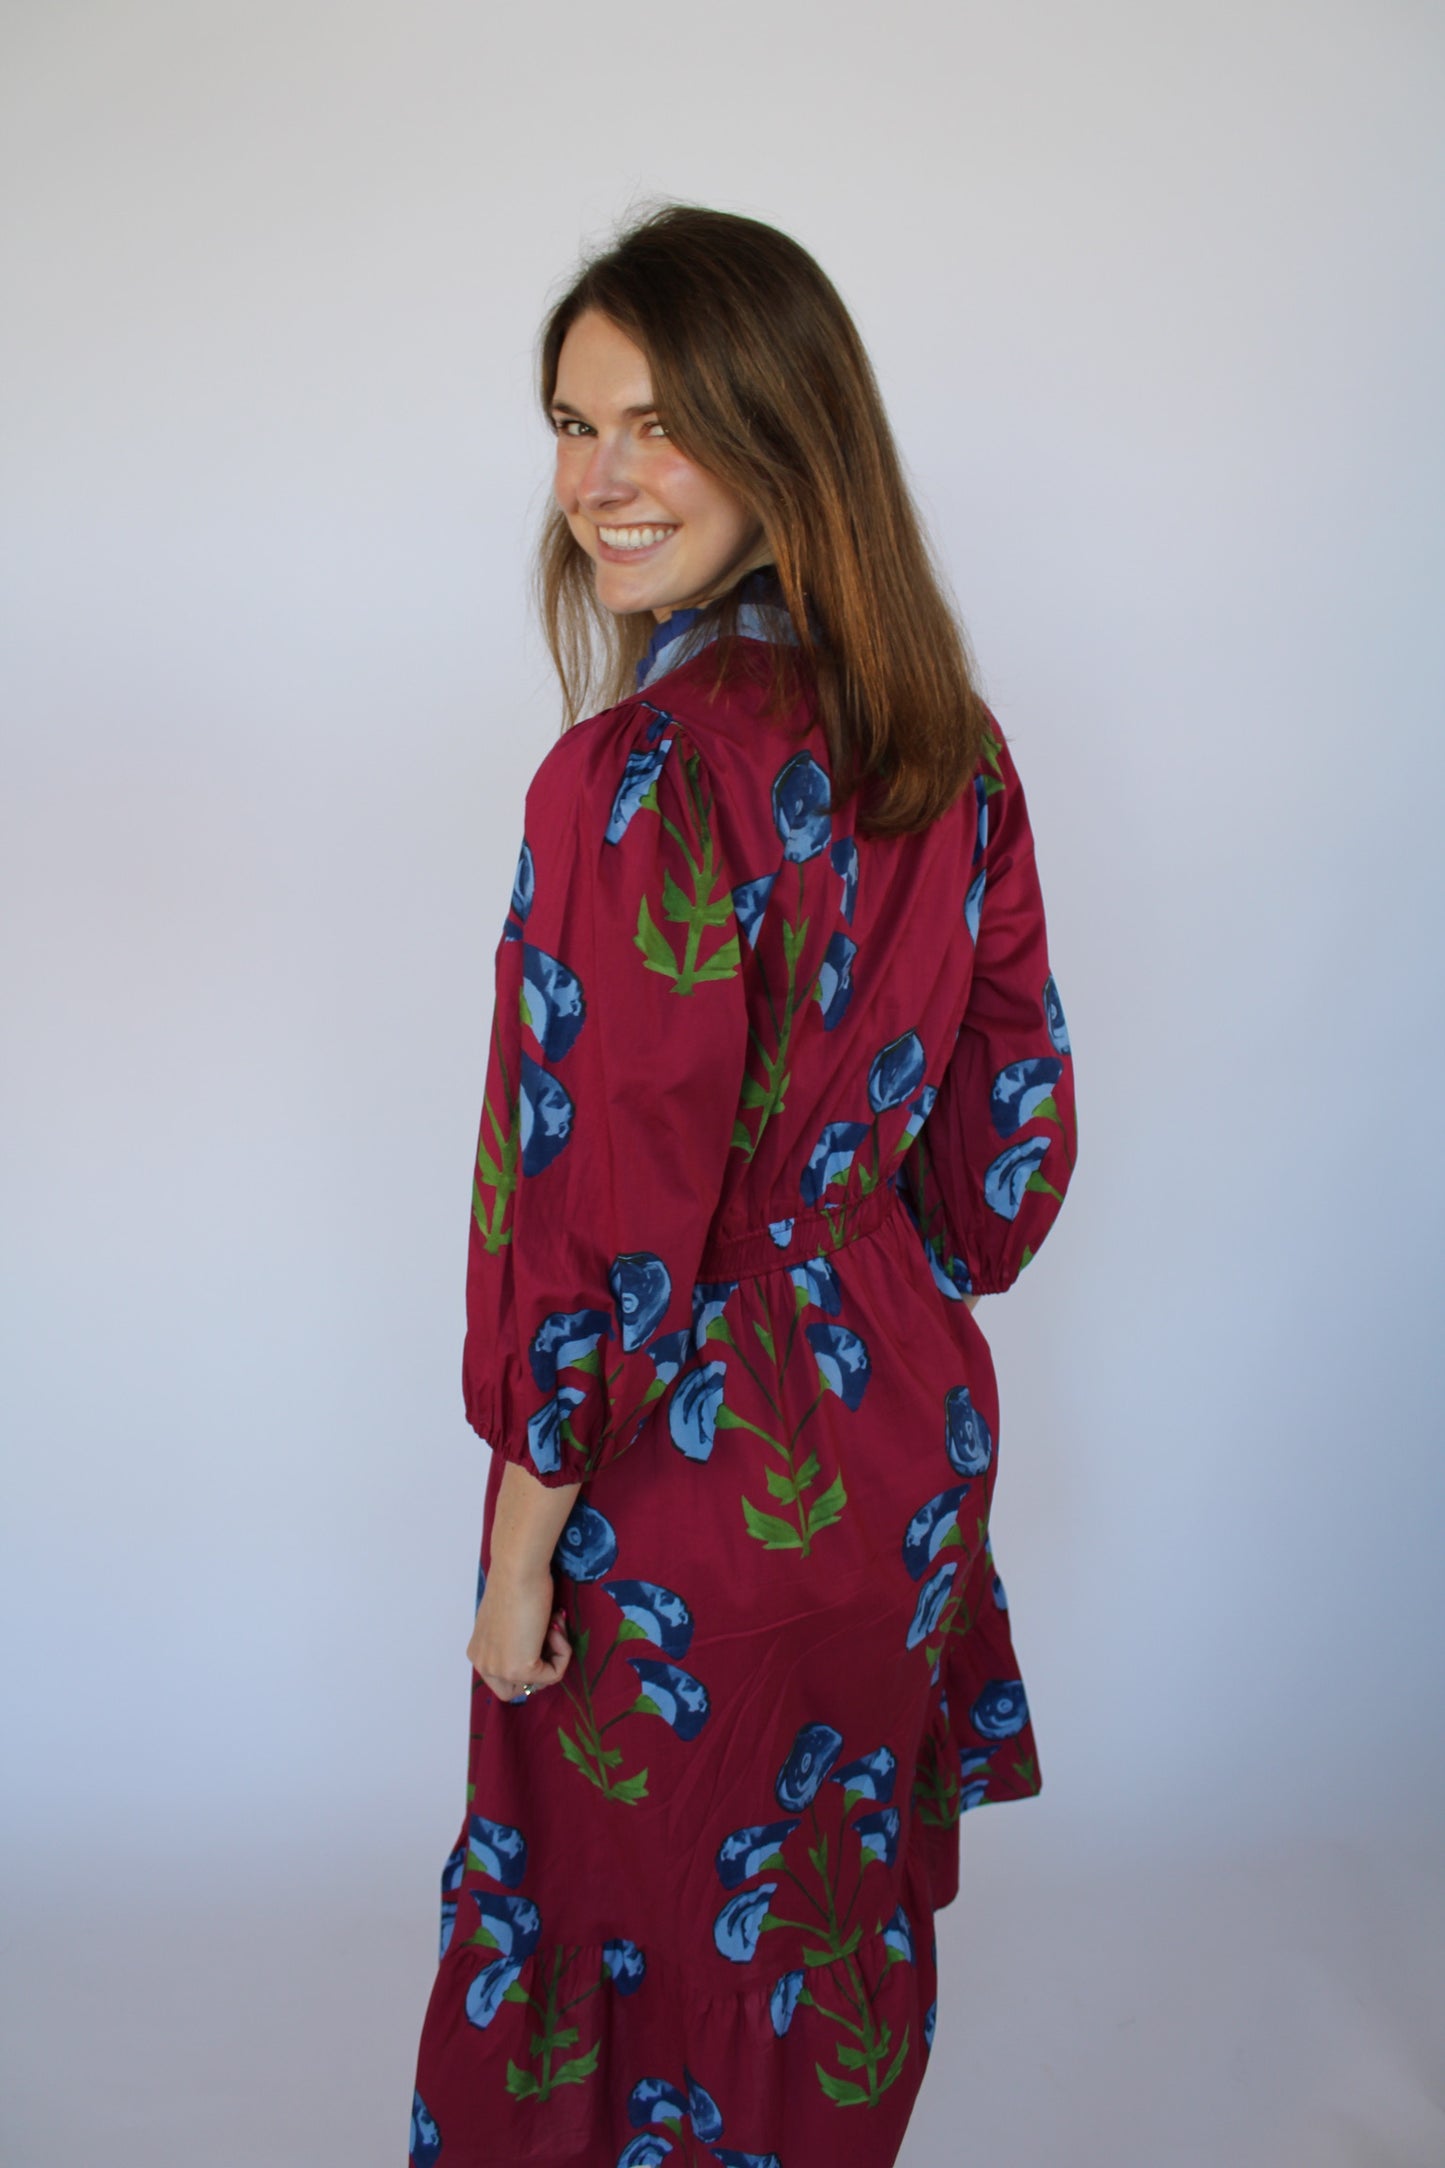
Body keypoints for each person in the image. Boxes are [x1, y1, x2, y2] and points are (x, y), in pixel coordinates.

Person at [407, 202, 1078, 2168]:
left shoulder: (635, 781)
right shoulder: (951, 752)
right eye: (572, 420)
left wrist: (524, 1538)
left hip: (684, 1480)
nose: (601, 477)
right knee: (808, 1973)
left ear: (784, 438)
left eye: (657, 423)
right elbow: (1004, 1173)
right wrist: (850, 1242)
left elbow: (603, 1214)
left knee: (613, 1985)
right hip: (902, 1432)